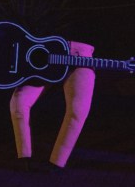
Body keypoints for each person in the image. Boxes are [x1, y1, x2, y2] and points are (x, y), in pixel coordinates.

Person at [9, 40, 96, 172]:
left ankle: (57, 162)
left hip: (81, 53)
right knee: (19, 101)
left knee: (78, 110)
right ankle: (24, 156)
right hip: (47, 52)